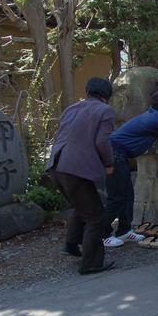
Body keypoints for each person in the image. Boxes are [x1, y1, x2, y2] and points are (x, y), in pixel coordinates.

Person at [47, 78, 116, 274]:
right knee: (95, 217)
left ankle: (70, 244)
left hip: (57, 166)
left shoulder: (72, 108)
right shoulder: (105, 111)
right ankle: (91, 263)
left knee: (82, 206)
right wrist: (109, 164)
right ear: (107, 95)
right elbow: (103, 142)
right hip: (79, 169)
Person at [102, 91, 158, 246]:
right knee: (116, 197)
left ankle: (124, 230)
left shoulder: (152, 115)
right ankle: (102, 234)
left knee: (128, 194)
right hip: (115, 154)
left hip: (117, 153)